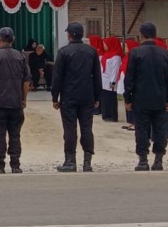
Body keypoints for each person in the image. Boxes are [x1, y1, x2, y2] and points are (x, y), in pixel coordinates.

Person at [51, 22, 103, 173]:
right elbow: (97, 76)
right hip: (87, 96)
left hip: (69, 96)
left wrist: (55, 97)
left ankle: (70, 161)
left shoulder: (63, 52)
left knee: (69, 129)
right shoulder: (91, 51)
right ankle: (87, 162)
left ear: (69, 35)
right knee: (87, 128)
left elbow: (57, 77)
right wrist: (97, 97)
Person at [124, 23, 168, 171]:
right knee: (160, 129)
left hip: (141, 99)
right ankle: (158, 160)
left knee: (142, 129)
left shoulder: (135, 53)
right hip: (160, 98)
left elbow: (129, 78)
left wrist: (128, 99)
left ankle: (143, 160)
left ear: (141, 35)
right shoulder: (164, 53)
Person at [0, 27, 32, 174]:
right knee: (15, 134)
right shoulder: (21, 56)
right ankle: (15, 165)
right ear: (13, 40)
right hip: (16, 103)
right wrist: (24, 99)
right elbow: (26, 82)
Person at [98, 37, 122, 122]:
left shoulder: (116, 56)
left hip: (110, 81)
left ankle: (112, 116)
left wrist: (113, 81)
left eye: (105, 44)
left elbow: (115, 70)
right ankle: (106, 114)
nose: (104, 46)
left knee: (111, 99)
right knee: (105, 98)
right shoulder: (107, 54)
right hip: (104, 80)